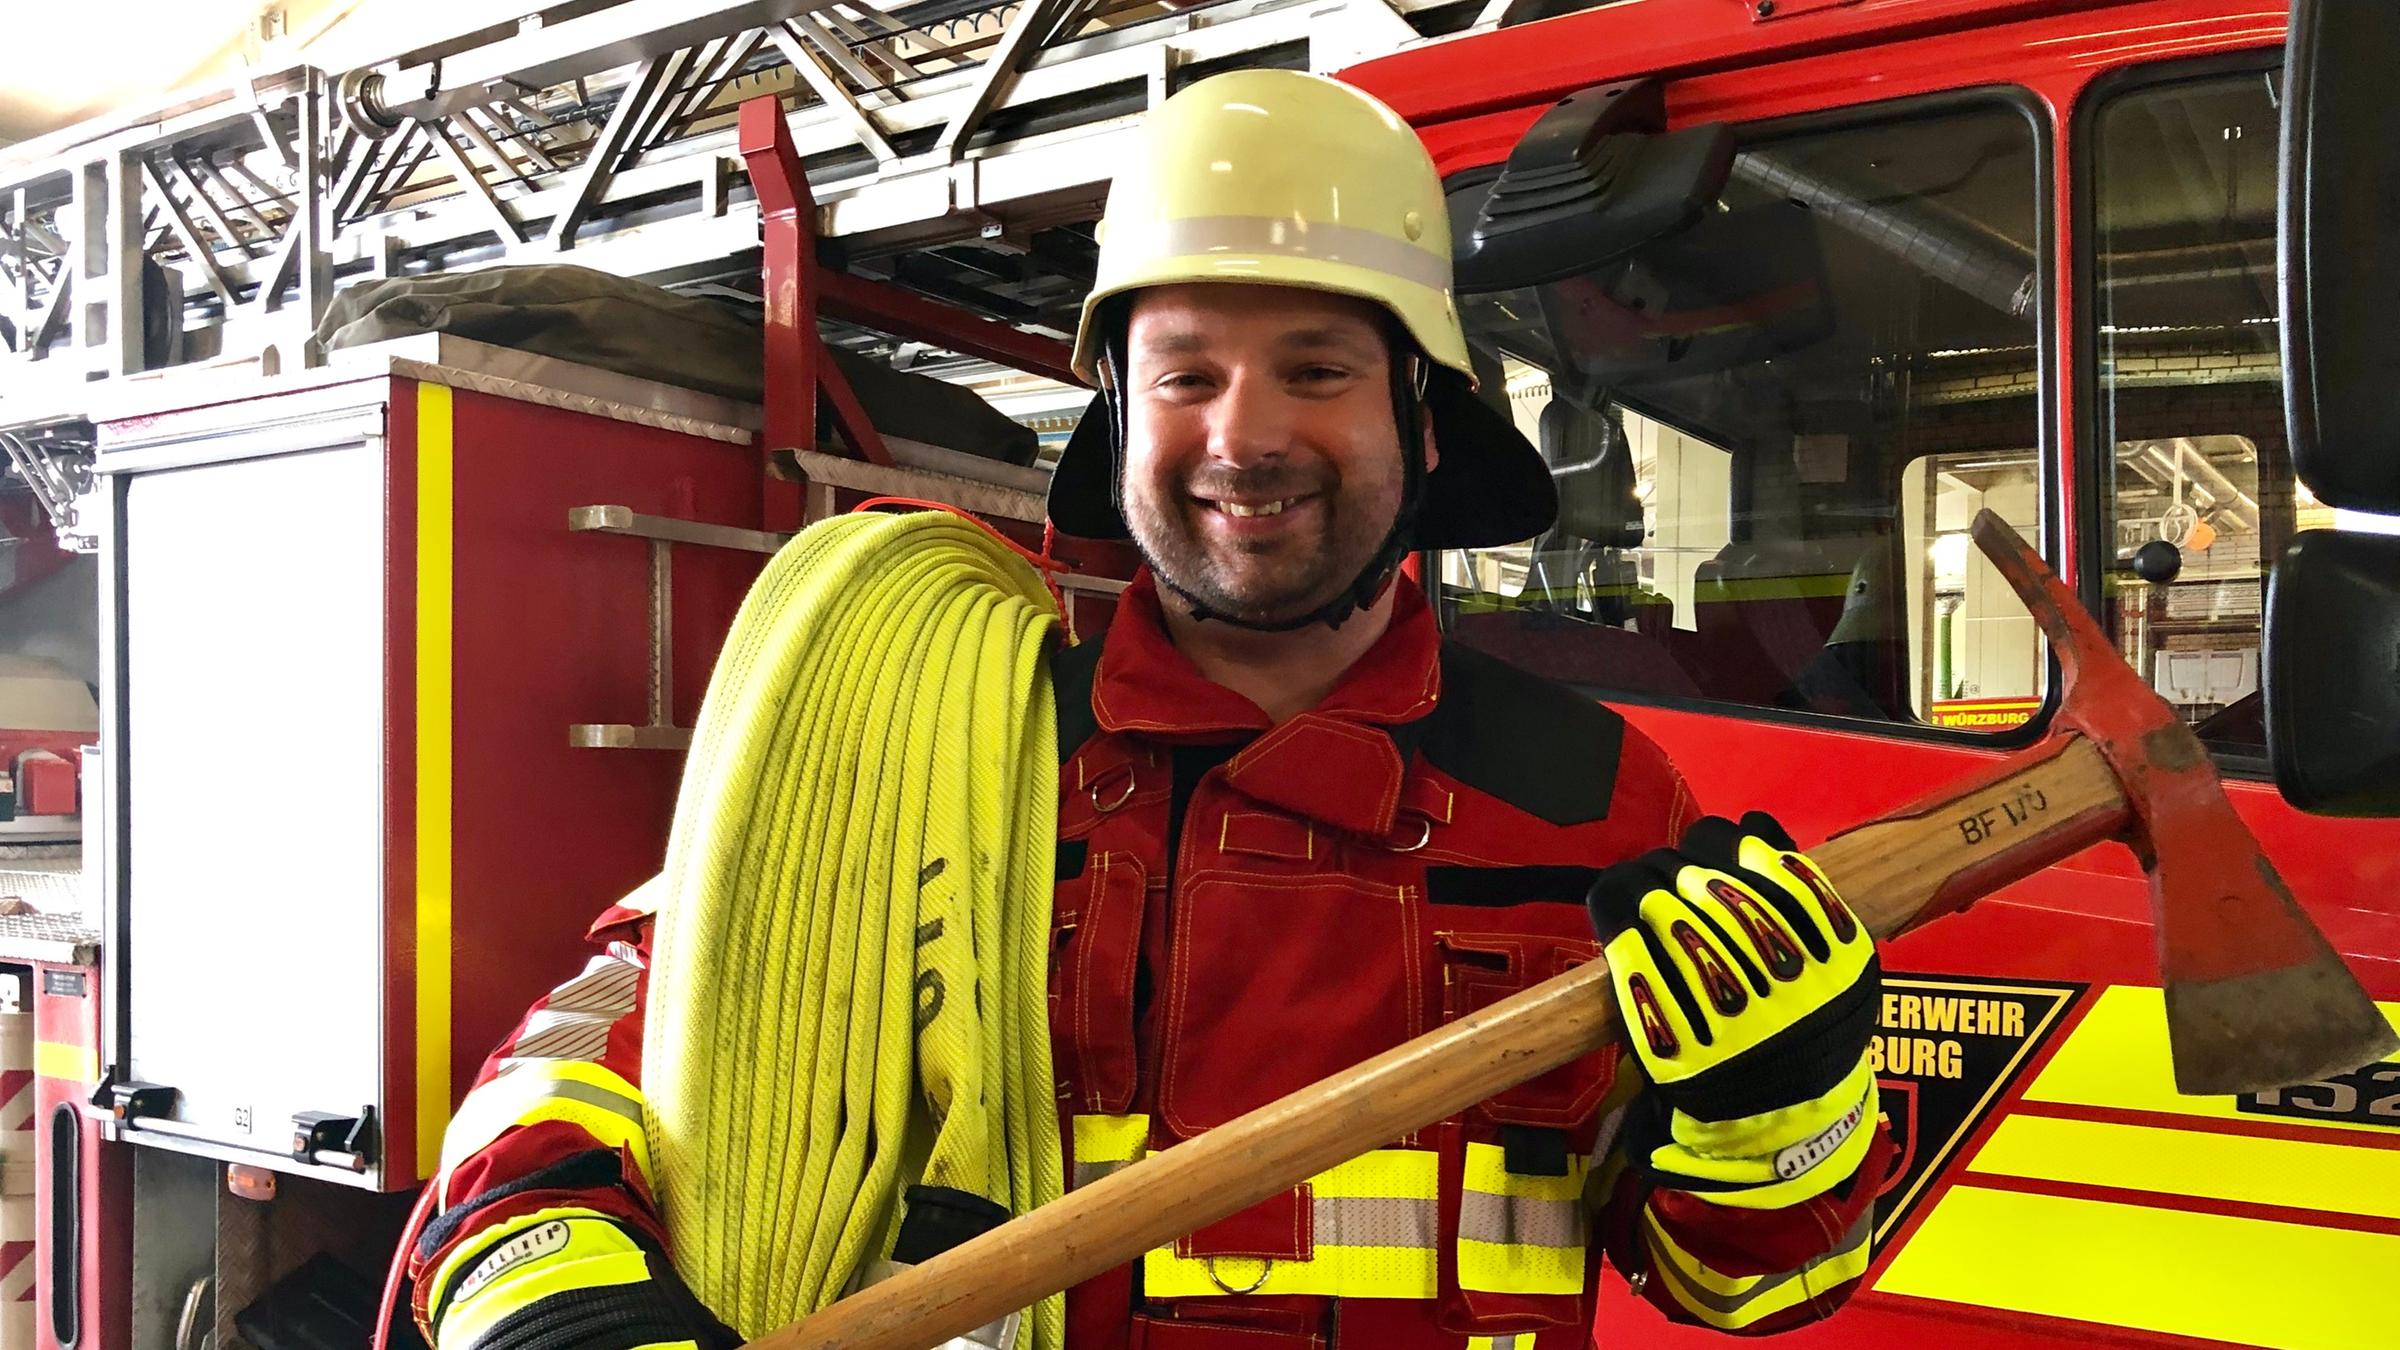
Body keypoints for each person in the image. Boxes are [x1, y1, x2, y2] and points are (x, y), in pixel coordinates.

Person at [380, 68, 1889, 1350]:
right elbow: (573, 1057)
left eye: (1315, 368)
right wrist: (548, 1291)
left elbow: (1743, 1285)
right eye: (1186, 376)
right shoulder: (936, 750)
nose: (1246, 436)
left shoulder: (1594, 798)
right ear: (1118, 420)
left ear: (1420, 423)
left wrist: (1780, 1112)